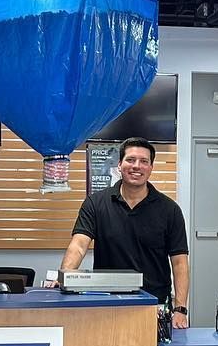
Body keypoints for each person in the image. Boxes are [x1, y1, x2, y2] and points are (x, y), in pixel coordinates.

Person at [61, 137, 191, 327]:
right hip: (106, 302)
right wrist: (66, 275)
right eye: (130, 160)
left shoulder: (170, 210)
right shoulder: (95, 203)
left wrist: (180, 309)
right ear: (119, 164)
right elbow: (79, 245)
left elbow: (179, 263)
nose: (136, 166)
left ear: (151, 167)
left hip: (154, 306)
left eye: (144, 161)